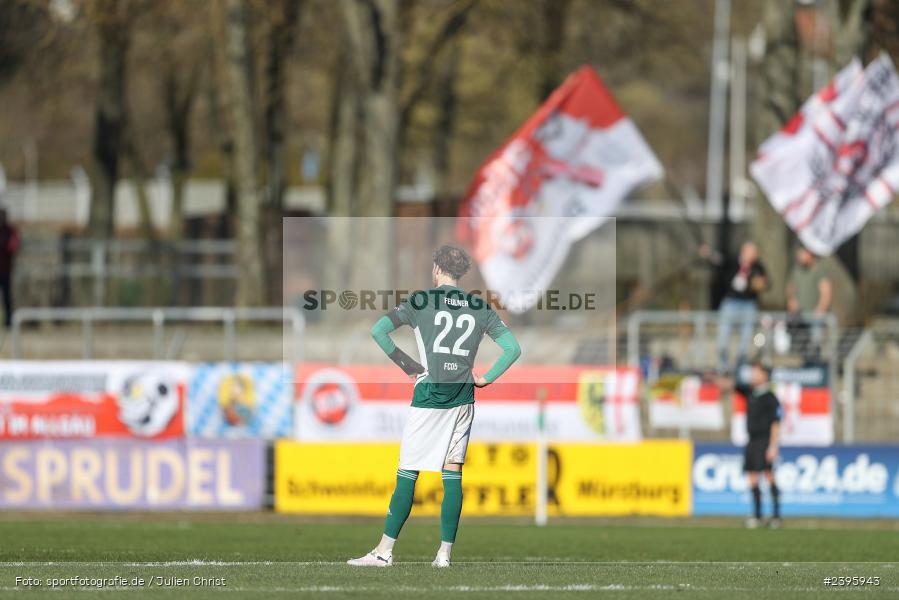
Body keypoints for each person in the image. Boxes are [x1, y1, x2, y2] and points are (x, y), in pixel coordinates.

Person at [347, 245, 521, 568]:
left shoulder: (420, 301)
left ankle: (384, 552)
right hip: (462, 397)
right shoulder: (481, 308)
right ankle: (444, 555)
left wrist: (408, 365)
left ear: (437, 270)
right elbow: (512, 348)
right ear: (460, 273)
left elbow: (379, 331)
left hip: (428, 397)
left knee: (408, 473)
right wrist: (487, 378)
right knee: (452, 474)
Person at [734, 360, 782, 529]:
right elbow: (733, 385)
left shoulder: (770, 397)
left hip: (765, 440)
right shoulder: (751, 393)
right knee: (752, 477)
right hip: (752, 441)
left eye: (756, 372)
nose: (753, 375)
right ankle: (757, 515)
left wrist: (773, 446)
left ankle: (776, 516)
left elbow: (776, 423)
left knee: (769, 475)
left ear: (765, 376)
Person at [708, 241, 768, 373]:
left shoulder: (758, 267)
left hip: (748, 304)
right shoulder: (733, 262)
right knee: (723, 336)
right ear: (744, 251)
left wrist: (761, 284)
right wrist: (709, 253)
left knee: (746, 339)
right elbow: (719, 261)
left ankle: (741, 366)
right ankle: (722, 366)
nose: (754, 255)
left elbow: (767, 283)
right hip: (730, 302)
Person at [786, 246, 832, 360]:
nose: (799, 256)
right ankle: (805, 368)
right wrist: (791, 301)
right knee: (801, 347)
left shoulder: (819, 270)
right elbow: (790, 288)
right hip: (799, 316)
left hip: (814, 317)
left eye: (802, 253)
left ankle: (815, 368)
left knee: (815, 346)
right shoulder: (797, 270)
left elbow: (826, 292)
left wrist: (820, 311)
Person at [0, 207, 20, 328]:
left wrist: (5, 246)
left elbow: (14, 245)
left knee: (7, 297)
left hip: (5, 270)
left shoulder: (10, 231)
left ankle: (8, 322)